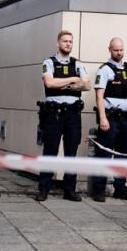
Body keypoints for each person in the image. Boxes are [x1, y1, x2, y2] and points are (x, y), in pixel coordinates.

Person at [36, 30, 90, 202]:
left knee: (71, 152)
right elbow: (49, 82)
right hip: (54, 114)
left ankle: (69, 190)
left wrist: (67, 85)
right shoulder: (49, 62)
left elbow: (87, 84)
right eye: (65, 41)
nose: (68, 44)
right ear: (58, 43)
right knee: (50, 151)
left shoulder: (78, 63)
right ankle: (43, 189)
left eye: (71, 42)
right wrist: (73, 80)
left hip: (73, 114)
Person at [90, 37, 127, 202]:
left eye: (121, 50)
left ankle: (120, 189)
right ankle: (99, 190)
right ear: (109, 49)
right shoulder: (104, 70)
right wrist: (103, 118)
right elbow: (99, 96)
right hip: (110, 118)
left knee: (122, 154)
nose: (119, 53)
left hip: (125, 119)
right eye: (115, 50)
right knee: (104, 154)